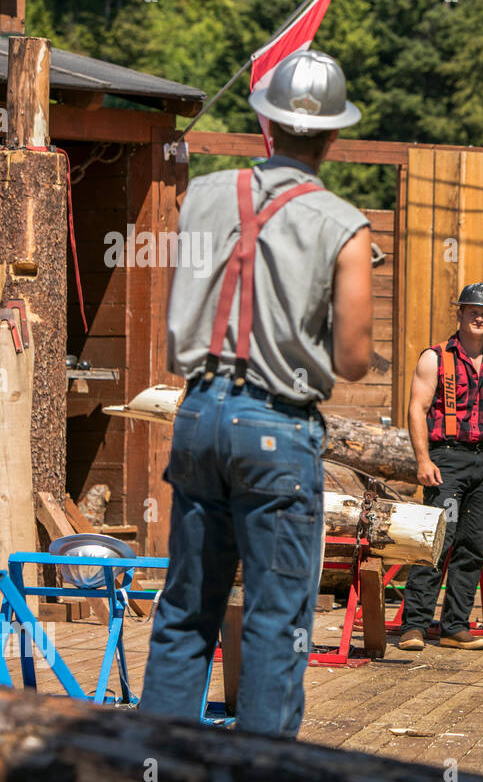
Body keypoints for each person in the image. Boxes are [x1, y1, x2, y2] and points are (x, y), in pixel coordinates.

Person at [141, 50, 373, 737]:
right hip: (275, 426)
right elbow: (355, 358)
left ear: (266, 123)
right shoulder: (343, 224)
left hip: (198, 411)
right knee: (276, 621)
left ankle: (153, 778)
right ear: (332, 137)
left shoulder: (205, 195)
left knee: (186, 609)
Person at [398, 282, 483, 651]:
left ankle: (456, 625)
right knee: (436, 540)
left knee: (473, 543)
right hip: (446, 459)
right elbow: (417, 409)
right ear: (459, 313)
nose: (479, 316)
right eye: (472, 310)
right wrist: (423, 459)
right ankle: (415, 625)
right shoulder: (435, 357)